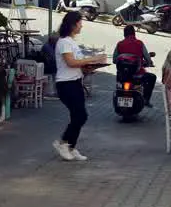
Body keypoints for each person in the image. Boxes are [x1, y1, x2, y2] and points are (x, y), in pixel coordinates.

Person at [53, 10, 105, 161]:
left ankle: (71, 146)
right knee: (80, 115)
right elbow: (70, 62)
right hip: (66, 84)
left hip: (76, 82)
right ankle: (63, 143)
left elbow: (77, 65)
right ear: (73, 24)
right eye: (80, 23)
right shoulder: (63, 42)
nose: (81, 26)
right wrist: (92, 58)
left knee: (79, 116)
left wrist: (90, 67)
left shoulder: (71, 42)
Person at [112, 25, 156, 107]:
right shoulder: (139, 43)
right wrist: (149, 63)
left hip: (122, 76)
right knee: (152, 77)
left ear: (124, 34)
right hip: (138, 75)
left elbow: (114, 60)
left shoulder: (120, 44)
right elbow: (148, 59)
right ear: (134, 33)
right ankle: (146, 99)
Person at [40, 32, 59, 97]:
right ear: (53, 40)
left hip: (48, 65)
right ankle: (58, 92)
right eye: (57, 40)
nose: (57, 42)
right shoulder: (47, 47)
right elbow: (53, 58)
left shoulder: (50, 46)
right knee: (59, 71)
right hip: (46, 67)